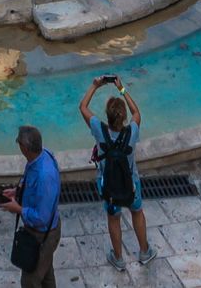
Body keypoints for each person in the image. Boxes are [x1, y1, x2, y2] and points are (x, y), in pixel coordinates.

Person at [81, 77, 154, 269]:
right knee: (137, 213)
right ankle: (144, 251)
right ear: (123, 117)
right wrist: (121, 88)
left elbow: (83, 107)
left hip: (109, 185)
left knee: (113, 218)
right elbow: (137, 112)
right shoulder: (132, 132)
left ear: (108, 116)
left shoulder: (99, 129)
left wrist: (95, 85)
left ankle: (119, 258)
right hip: (131, 183)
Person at [0, 124, 61, 288]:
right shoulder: (40, 156)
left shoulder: (45, 176)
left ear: (25, 147)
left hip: (42, 235)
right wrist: (18, 191)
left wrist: (18, 209)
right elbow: (29, 180)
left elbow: (41, 217)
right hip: (43, 233)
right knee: (46, 274)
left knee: (30, 280)